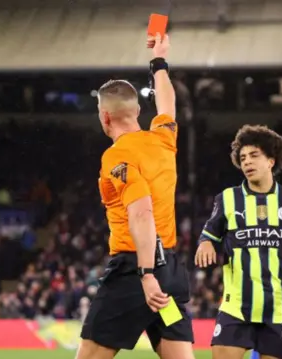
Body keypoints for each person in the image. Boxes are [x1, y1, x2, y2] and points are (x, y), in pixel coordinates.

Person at [77, 34, 194, 359]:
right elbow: (167, 104)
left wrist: (145, 276)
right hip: (169, 269)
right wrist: (159, 63)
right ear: (139, 110)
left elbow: (141, 212)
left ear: (104, 117)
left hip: (134, 272)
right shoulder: (163, 139)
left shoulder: (116, 157)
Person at [195, 124, 282, 359]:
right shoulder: (228, 199)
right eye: (242, 158)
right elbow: (209, 233)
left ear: (271, 160)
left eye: (253, 155)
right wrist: (205, 243)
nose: (247, 162)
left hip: (278, 309)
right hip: (236, 307)